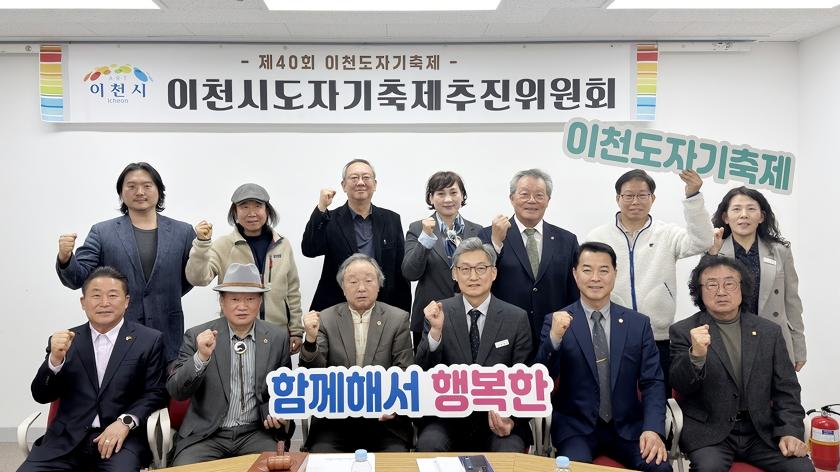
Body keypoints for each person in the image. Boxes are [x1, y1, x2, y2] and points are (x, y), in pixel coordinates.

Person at [534, 242, 670, 471]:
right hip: (576, 429)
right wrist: (554, 339)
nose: (595, 278)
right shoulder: (556, 321)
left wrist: (653, 429)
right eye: (587, 270)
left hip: (629, 429)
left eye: (604, 270)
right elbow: (541, 380)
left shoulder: (638, 324)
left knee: (660, 467)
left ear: (615, 274)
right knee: (576, 470)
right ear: (575, 274)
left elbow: (653, 382)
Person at [670, 256, 812, 472]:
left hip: (761, 432)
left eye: (729, 283)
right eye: (711, 284)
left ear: (742, 288)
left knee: (801, 469)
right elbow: (680, 386)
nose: (721, 291)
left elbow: (787, 390)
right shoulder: (684, 331)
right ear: (699, 291)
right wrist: (696, 355)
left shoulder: (769, 332)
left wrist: (790, 432)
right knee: (709, 469)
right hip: (710, 432)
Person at [18, 267, 167, 472]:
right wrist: (54, 360)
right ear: (83, 302)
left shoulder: (149, 340)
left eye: (112, 295)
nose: (104, 303)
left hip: (121, 440)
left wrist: (125, 422)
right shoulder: (67, 341)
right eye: (96, 296)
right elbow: (41, 395)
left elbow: (156, 392)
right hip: (65, 441)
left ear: (126, 301)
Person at [586, 169, 712, 393]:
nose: (635, 201)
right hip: (611, 336)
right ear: (618, 198)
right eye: (628, 195)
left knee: (656, 398)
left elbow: (703, 241)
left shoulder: (667, 234)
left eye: (642, 195)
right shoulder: (598, 237)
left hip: (658, 337)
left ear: (653, 198)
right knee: (612, 398)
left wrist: (693, 196)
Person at [56, 162, 195, 362]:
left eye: (147, 186)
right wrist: (65, 258)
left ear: (159, 190)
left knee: (166, 382)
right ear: (121, 193)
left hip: (168, 331)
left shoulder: (183, 232)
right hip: (117, 332)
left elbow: (190, 278)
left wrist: (165, 295)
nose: (140, 192)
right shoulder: (102, 232)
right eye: (131, 186)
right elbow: (78, 278)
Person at [166, 263, 292, 466]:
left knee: (275, 467)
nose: (242, 306)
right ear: (222, 301)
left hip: (255, 433)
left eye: (250, 299)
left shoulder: (277, 337)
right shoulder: (197, 335)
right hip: (206, 435)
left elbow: (285, 390)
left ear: (260, 301)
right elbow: (177, 391)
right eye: (234, 299)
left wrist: (275, 410)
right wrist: (201, 357)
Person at [415, 237, 533, 452]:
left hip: (496, 418)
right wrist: (435, 332)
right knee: (429, 445)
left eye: (481, 268)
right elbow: (423, 373)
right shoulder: (438, 312)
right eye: (465, 269)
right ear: (454, 273)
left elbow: (525, 378)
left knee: (509, 452)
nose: (473, 277)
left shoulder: (516, 318)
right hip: (447, 418)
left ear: (493, 273)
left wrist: (511, 419)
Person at [299, 253, 414, 452]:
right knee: (321, 456)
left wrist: (394, 407)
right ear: (343, 288)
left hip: (384, 418)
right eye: (353, 282)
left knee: (395, 458)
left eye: (368, 281)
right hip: (335, 419)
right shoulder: (325, 318)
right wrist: (310, 339)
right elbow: (312, 373)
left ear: (379, 285)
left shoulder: (398, 319)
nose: (361, 288)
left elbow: (404, 370)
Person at [186, 183, 304, 354]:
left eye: (258, 206)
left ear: (267, 210)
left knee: (277, 372)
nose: (251, 213)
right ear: (235, 212)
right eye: (244, 207)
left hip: (277, 333)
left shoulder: (282, 244)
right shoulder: (224, 245)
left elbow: (292, 291)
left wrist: (296, 330)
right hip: (235, 333)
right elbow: (197, 278)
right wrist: (202, 245)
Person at [479, 168, 579, 361]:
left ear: (548, 200)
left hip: (555, 335)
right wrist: (496, 244)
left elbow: (574, 291)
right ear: (512, 198)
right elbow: (479, 281)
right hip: (504, 335)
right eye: (524, 194)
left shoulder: (567, 240)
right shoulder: (488, 235)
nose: (532, 200)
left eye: (539, 195)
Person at [708, 186, 805, 370]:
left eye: (751, 209)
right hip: (729, 338)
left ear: (761, 216)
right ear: (726, 217)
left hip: (772, 336)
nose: (744, 215)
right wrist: (711, 254)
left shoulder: (780, 251)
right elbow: (705, 296)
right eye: (736, 209)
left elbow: (792, 302)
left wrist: (799, 347)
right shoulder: (714, 250)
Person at [302, 158, 411, 313]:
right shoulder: (330, 219)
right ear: (343, 185)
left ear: (375, 184)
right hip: (338, 306)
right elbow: (309, 249)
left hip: (382, 306)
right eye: (354, 178)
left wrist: (403, 312)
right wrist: (321, 208)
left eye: (366, 177)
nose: (360, 182)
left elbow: (400, 271)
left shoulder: (391, 219)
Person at [403, 171, 482, 351]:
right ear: (431, 198)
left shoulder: (477, 230)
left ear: (462, 196)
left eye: (453, 193)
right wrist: (426, 237)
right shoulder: (417, 228)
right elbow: (410, 272)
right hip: (429, 315)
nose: (448, 199)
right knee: (428, 366)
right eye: (440, 193)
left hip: (469, 316)